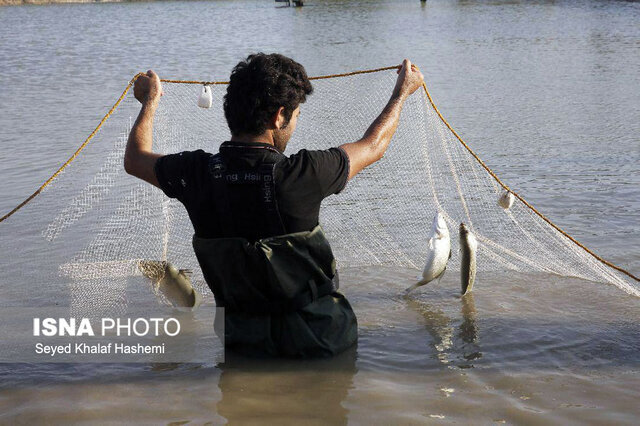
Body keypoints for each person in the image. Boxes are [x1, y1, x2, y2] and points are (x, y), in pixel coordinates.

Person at [124, 53, 424, 358]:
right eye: (295, 115)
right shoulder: (305, 173)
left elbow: (135, 159)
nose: (294, 122)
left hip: (243, 346)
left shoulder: (194, 173)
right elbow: (374, 146)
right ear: (279, 116)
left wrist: (150, 101)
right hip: (320, 347)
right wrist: (402, 93)